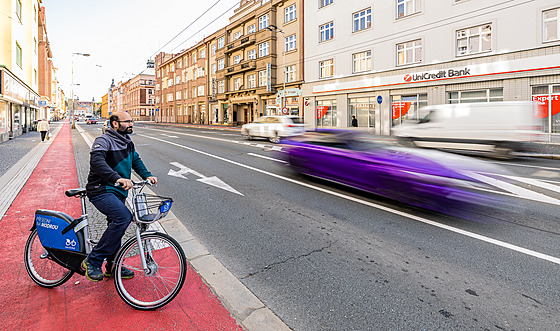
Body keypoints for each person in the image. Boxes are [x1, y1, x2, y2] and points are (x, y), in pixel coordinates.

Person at [82, 111, 157, 281]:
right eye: (127, 121)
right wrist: (117, 178)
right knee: (123, 218)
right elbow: (97, 162)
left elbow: (135, 160)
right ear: (115, 123)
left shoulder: (127, 142)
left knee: (116, 227)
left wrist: (147, 175)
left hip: (118, 192)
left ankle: (113, 266)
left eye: (132, 121)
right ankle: (93, 260)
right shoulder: (103, 140)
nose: (131, 124)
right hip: (101, 189)